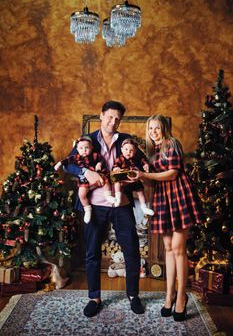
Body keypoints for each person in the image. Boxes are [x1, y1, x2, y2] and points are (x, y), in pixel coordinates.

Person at [64, 101, 145, 317]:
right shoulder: (88, 139)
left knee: (132, 251)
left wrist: (132, 176)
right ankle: (94, 297)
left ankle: (133, 295)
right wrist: (85, 173)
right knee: (91, 253)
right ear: (101, 116)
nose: (113, 122)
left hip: (121, 204)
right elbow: (68, 164)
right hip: (94, 205)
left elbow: (139, 164)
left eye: (117, 118)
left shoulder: (126, 140)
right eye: (109, 117)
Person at [129, 114, 202, 321]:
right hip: (162, 199)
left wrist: (145, 175)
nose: (153, 132)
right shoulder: (152, 153)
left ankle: (181, 297)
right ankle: (169, 295)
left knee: (179, 250)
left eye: (157, 128)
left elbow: (172, 173)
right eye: (150, 128)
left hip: (178, 196)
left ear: (164, 128)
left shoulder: (171, 143)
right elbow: (152, 182)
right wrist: (133, 176)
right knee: (168, 249)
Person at [54, 136, 116, 224]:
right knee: (81, 194)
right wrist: (59, 164)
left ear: (92, 148)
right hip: (84, 179)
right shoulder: (76, 157)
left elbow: (101, 159)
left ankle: (108, 195)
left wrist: (99, 164)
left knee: (105, 181)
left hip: (98, 174)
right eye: (81, 148)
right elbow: (66, 162)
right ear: (77, 149)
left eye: (87, 148)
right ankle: (87, 208)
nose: (84, 150)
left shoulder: (95, 155)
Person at [112, 137, 154, 217]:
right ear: (121, 149)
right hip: (123, 178)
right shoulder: (120, 158)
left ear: (135, 152)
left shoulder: (135, 158)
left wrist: (145, 165)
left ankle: (144, 207)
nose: (128, 152)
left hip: (133, 178)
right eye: (126, 149)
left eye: (131, 151)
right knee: (117, 183)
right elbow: (115, 165)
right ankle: (118, 198)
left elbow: (142, 160)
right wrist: (116, 168)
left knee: (141, 192)